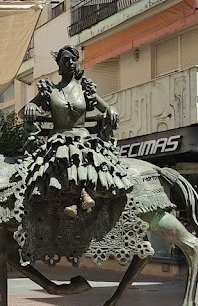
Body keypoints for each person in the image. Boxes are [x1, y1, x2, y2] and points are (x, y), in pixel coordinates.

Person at [19, 45, 132, 218]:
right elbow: (22, 112)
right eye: (66, 60)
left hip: (83, 138)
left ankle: (75, 199)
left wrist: (111, 110)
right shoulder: (50, 90)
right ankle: (77, 197)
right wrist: (31, 107)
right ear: (59, 64)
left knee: (85, 154)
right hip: (58, 139)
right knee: (64, 153)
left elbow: (106, 107)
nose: (71, 63)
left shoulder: (85, 89)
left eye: (73, 59)